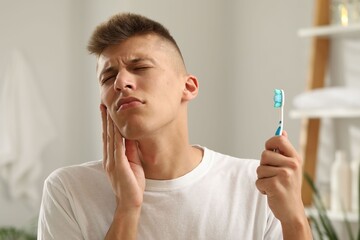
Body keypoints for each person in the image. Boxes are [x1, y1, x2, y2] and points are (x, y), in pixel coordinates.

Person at [38, 12, 312, 240]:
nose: (120, 82)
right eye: (108, 77)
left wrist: (294, 219)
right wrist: (127, 209)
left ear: (188, 86)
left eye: (140, 67)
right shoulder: (68, 191)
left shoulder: (257, 185)